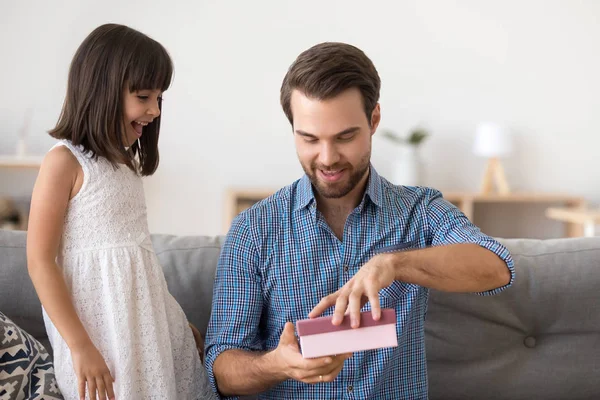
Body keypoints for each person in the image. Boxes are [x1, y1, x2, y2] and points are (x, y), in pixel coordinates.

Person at [205, 42, 515, 399]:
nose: (327, 158)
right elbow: (220, 369)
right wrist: (277, 364)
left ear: (374, 120)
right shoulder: (254, 229)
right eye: (309, 139)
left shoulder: (420, 211)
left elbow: (497, 267)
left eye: (345, 137)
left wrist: (394, 264)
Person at [27, 23, 215, 400]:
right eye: (144, 96)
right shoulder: (64, 162)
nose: (154, 110)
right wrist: (81, 347)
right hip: (99, 339)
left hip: (148, 335)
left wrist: (172, 318)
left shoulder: (126, 166)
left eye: (160, 98)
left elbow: (138, 262)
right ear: (101, 90)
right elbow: (40, 261)